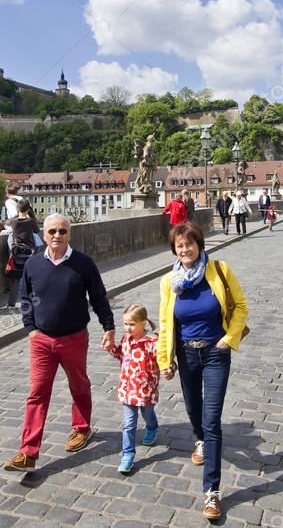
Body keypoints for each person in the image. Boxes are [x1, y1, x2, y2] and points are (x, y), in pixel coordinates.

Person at [5, 214, 116, 472]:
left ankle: (81, 427)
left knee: (78, 384)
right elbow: (25, 296)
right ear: (44, 235)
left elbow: (99, 297)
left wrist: (109, 328)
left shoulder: (83, 263)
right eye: (52, 231)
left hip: (74, 338)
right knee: (37, 393)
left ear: (69, 235)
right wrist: (30, 328)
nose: (57, 236)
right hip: (42, 340)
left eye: (62, 231)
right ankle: (28, 452)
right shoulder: (33, 264)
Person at [157, 222, 248, 520]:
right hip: (186, 354)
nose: (185, 249)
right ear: (174, 249)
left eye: (189, 244)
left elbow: (242, 307)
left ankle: (212, 492)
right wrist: (164, 360)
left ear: (199, 244)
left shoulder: (219, 270)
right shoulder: (169, 281)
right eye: (179, 246)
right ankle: (199, 439)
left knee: (212, 420)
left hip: (215, 353)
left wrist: (228, 338)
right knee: (193, 409)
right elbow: (166, 323)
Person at [107, 303, 160, 475]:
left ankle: (152, 427)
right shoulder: (126, 340)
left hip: (145, 391)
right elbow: (122, 357)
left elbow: (164, 361)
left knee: (147, 414)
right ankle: (128, 455)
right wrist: (112, 349)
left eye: (131, 324)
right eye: (125, 324)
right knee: (129, 424)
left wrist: (168, 368)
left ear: (143, 323)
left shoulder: (152, 343)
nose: (128, 328)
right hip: (128, 390)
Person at [3, 198, 39, 310]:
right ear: (28, 209)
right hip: (30, 252)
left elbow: (4, 223)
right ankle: (31, 301)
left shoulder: (13, 221)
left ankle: (11, 303)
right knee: (31, 278)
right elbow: (37, 231)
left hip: (16, 253)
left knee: (15, 279)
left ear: (17, 209)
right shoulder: (31, 221)